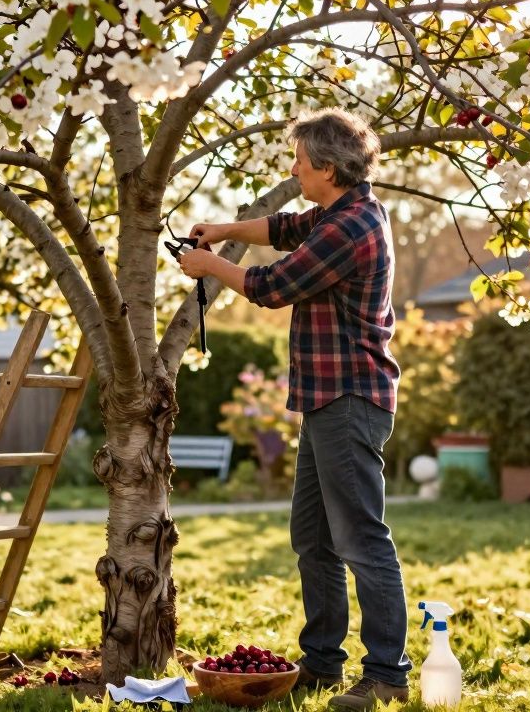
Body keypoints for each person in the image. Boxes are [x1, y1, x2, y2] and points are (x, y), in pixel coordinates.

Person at [177, 107, 410, 710]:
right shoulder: (340, 211)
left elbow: (272, 286)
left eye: (301, 162)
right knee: (313, 537)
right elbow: (284, 228)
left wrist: (210, 265)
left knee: (360, 538)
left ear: (328, 169)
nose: (294, 170)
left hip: (349, 399)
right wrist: (223, 228)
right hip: (326, 401)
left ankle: (387, 674)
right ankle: (323, 663)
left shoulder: (349, 227)